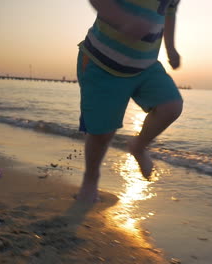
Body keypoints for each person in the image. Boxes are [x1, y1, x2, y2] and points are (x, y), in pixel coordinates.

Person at [76, 0, 183, 203]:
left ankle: (138, 146)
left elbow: (169, 12)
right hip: (101, 63)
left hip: (146, 66)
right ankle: (91, 178)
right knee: (102, 133)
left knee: (171, 107)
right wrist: (124, 20)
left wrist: (171, 48)